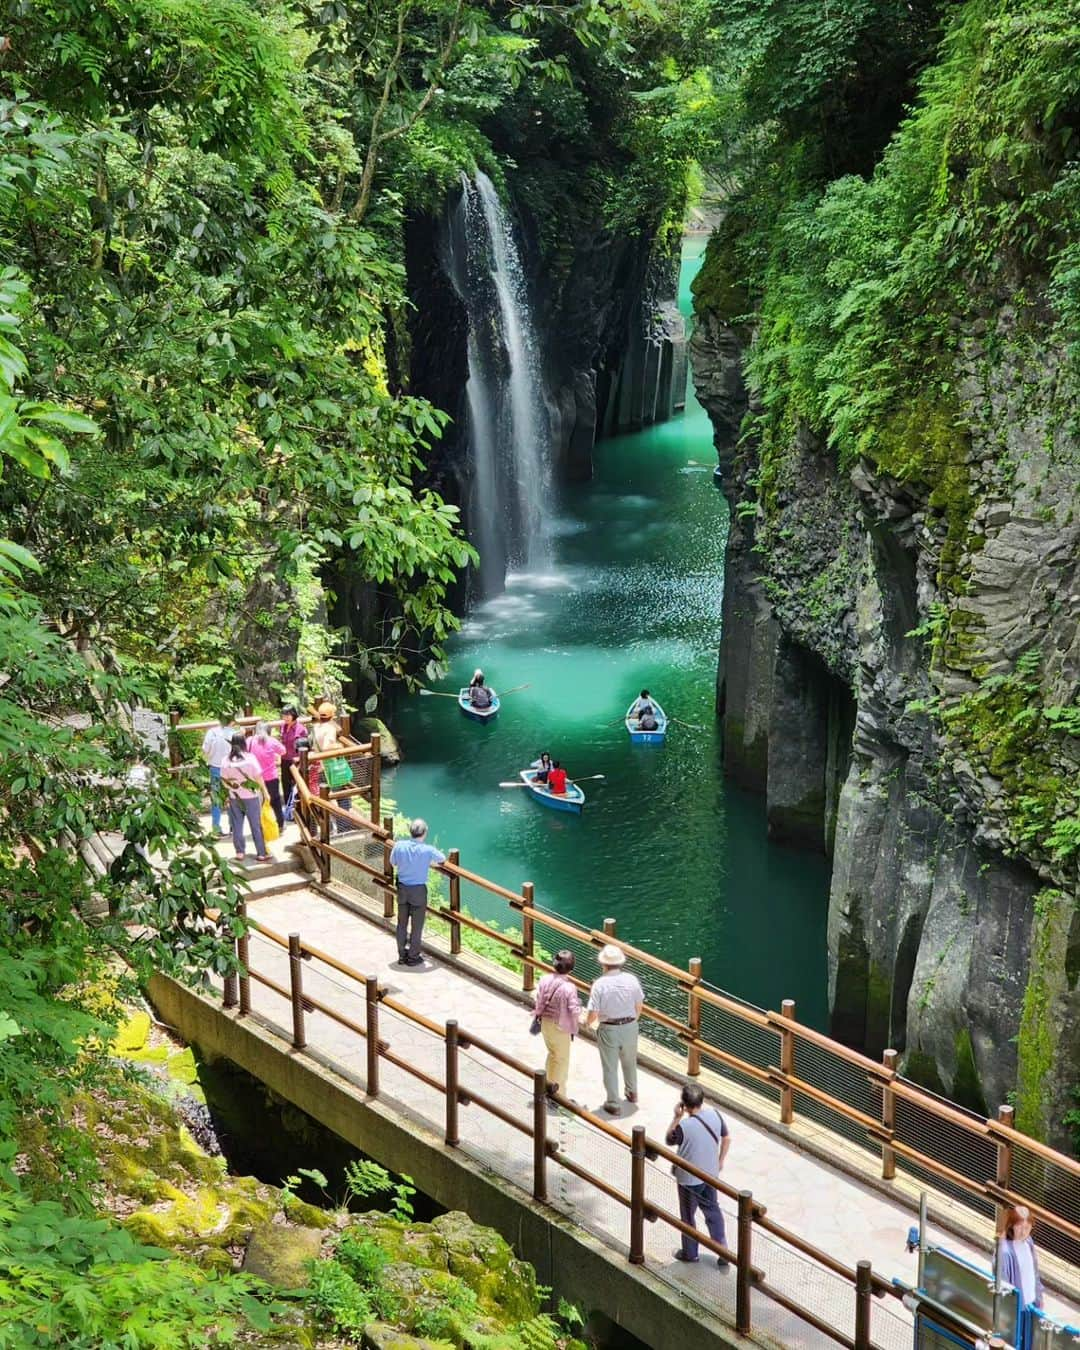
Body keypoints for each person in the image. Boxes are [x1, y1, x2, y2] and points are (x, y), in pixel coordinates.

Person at [666, 1082, 732, 1268]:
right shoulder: (715, 1115)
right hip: (710, 1175)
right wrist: (720, 1160)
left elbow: (669, 1139)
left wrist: (676, 1117)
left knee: (688, 1217)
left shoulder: (683, 1126)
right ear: (702, 1100)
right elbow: (726, 1138)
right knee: (713, 1210)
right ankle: (722, 1250)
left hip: (689, 1180)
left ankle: (690, 1253)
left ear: (684, 1105)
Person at [585, 945, 644, 1114]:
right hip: (630, 1026)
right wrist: (634, 1020)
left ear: (603, 964)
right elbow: (639, 1004)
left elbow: (593, 1012)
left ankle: (613, 1102)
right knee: (629, 1061)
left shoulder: (599, 984)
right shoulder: (632, 979)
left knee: (610, 1067)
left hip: (609, 1028)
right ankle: (632, 1093)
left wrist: (587, 1023)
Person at [389, 818, 446, 966]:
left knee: (402, 923)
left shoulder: (399, 845)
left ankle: (402, 955)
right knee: (417, 925)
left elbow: (392, 862)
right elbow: (442, 858)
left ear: (411, 832)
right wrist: (428, 863)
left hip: (402, 888)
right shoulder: (427, 850)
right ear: (424, 833)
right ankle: (413, 957)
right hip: (418, 891)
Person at [532, 950, 582, 1108]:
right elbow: (574, 1011)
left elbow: (539, 997)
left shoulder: (544, 979)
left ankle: (547, 1088)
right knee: (561, 1061)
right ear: (571, 969)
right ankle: (559, 1097)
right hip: (560, 1027)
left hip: (545, 1022)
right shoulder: (569, 987)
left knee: (552, 1055)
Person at [220, 733, 271, 863]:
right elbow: (258, 778)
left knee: (237, 825)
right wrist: (265, 792)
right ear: (244, 743)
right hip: (251, 797)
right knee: (256, 825)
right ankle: (261, 853)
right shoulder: (250, 758)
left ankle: (240, 852)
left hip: (234, 796)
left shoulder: (225, 760)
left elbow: (224, 781)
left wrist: (230, 792)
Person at [311, 702, 352, 826]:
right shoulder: (329, 729)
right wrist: (339, 745)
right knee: (343, 797)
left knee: (326, 796)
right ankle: (343, 828)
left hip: (320, 767)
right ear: (332, 716)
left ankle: (327, 826)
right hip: (331, 768)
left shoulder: (316, 727)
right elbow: (326, 747)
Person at [997, 1205, 1044, 1308]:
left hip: (1032, 1303)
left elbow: (1034, 1271)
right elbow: (1002, 1282)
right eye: (1019, 1227)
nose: (1023, 1232)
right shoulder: (1004, 1251)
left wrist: (1039, 1297)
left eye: (1027, 1228)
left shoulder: (1029, 1241)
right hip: (1016, 1307)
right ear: (1011, 1225)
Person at [200, 713, 239, 837]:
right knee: (232, 797)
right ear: (232, 722)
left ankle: (216, 828)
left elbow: (205, 749)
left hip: (215, 767)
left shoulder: (212, 732)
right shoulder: (234, 734)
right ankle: (234, 826)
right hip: (231, 768)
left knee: (216, 799)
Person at [246, 721, 288, 828]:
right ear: (268, 731)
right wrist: (272, 754)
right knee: (275, 801)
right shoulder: (272, 741)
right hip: (271, 776)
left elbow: (244, 753)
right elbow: (283, 751)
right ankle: (280, 823)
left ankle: (259, 826)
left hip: (254, 777)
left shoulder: (249, 741)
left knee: (257, 803)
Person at [278, 707, 304, 811]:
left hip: (295, 760)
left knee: (296, 784)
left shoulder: (301, 729)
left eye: (288, 715)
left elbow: (304, 745)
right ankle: (288, 807)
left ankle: (297, 808)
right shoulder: (283, 726)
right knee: (285, 783)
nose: (286, 718)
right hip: (284, 759)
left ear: (294, 715)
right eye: (284, 715)